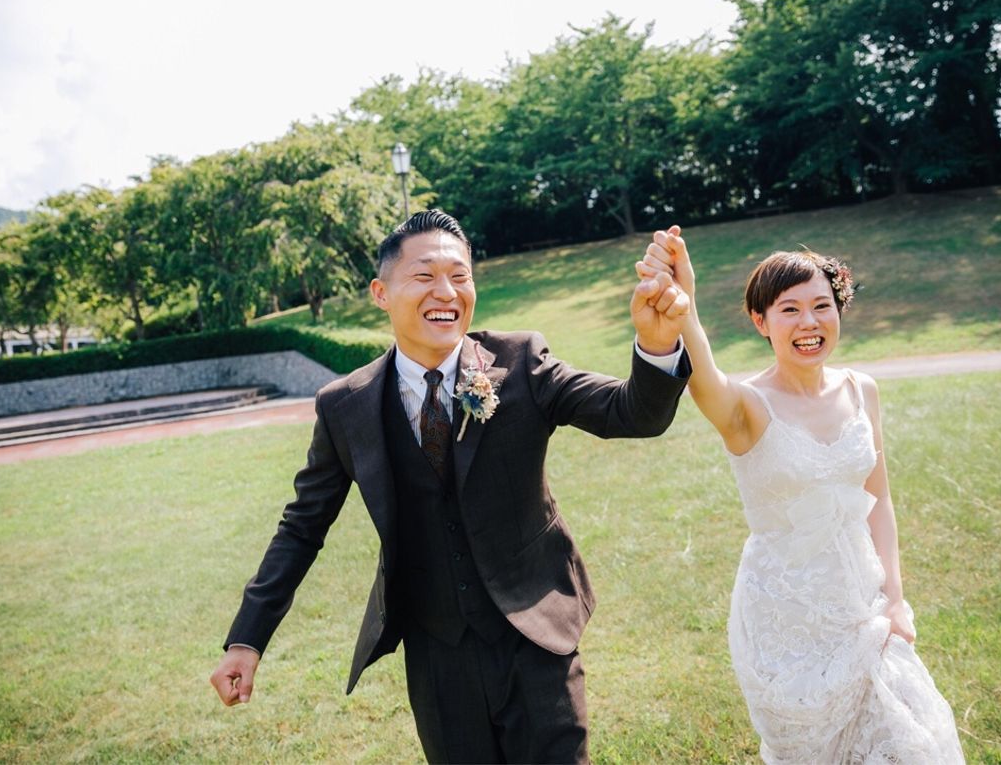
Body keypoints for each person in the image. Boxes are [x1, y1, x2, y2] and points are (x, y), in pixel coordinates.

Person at [210, 209, 691, 764]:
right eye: (424, 276)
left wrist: (656, 345)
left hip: (537, 637)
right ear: (381, 293)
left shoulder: (522, 361)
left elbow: (631, 412)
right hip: (437, 656)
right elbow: (302, 528)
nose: (447, 292)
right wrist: (247, 638)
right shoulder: (345, 405)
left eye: (460, 276)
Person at [636, 227, 963, 764]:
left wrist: (895, 599)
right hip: (785, 618)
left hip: (863, 603)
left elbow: (879, 499)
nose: (809, 323)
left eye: (821, 306)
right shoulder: (746, 407)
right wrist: (685, 301)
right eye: (789, 310)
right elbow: (704, 375)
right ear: (761, 322)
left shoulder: (862, 390)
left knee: (910, 739)